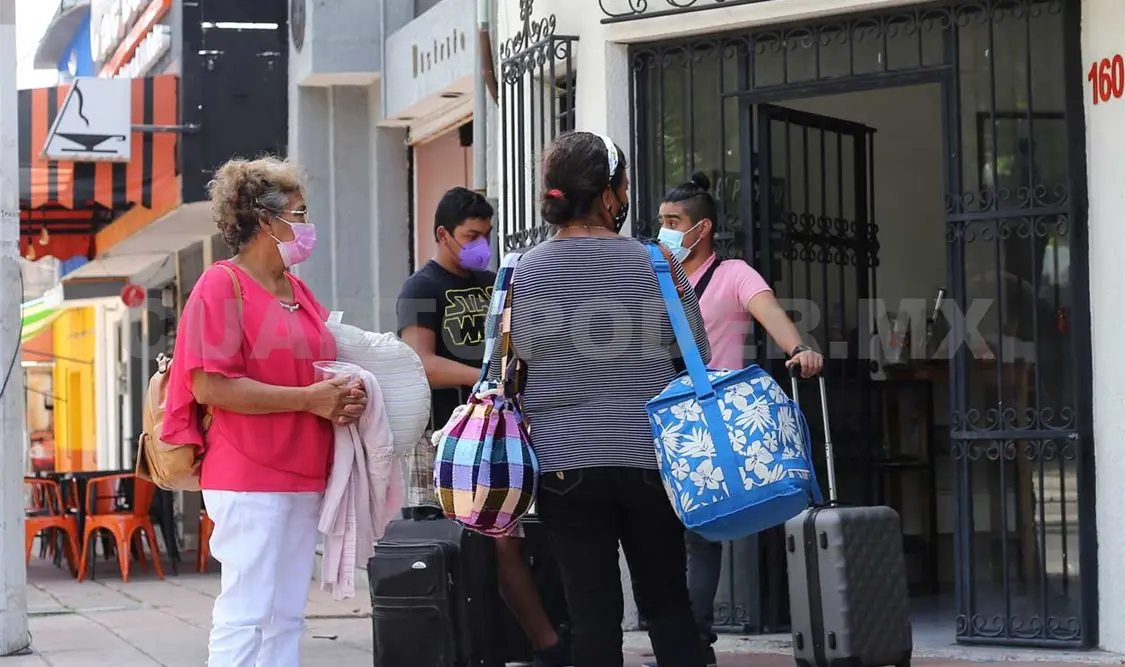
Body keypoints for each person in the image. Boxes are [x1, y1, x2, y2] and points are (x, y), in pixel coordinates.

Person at [494, 130, 712, 667]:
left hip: (565, 463)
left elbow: (508, 361)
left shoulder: (523, 270)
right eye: (625, 187)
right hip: (648, 459)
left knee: (591, 612)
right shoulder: (658, 263)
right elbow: (695, 349)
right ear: (610, 194)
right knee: (668, 604)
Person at [162, 156, 368, 667]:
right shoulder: (220, 285)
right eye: (298, 215)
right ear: (262, 220)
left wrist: (345, 395)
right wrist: (308, 400)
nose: (306, 227)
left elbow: (317, 367)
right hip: (249, 473)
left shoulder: (298, 291)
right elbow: (212, 386)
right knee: (247, 611)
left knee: (286, 615)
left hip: (303, 470)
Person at [650, 171, 825, 667]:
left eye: (672, 222)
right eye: (660, 220)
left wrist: (799, 349)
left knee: (701, 533)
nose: (663, 230)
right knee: (663, 532)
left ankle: (693, 642)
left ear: (701, 228)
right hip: (663, 415)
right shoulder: (652, 275)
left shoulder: (733, 275)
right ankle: (683, 640)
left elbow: (769, 312)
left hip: (714, 421)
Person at [396, 186, 572, 667]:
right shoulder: (422, 288)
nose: (482, 244)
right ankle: (547, 647)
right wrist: (488, 379)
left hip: (510, 436)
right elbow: (421, 362)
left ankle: (542, 639)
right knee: (494, 544)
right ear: (443, 235)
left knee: (521, 538)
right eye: (472, 235)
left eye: (487, 235)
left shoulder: (496, 282)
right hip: (456, 441)